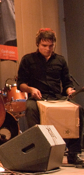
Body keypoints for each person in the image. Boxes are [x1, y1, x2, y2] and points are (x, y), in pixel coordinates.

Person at [17, 28, 84, 167]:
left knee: (79, 111)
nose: (48, 49)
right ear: (38, 44)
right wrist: (31, 89)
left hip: (56, 97)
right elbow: (21, 84)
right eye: (44, 46)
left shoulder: (60, 60)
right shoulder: (28, 59)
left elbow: (66, 82)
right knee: (30, 109)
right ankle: (37, 152)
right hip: (37, 98)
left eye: (50, 46)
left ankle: (73, 153)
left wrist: (69, 90)